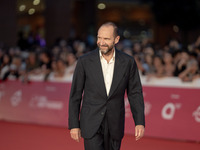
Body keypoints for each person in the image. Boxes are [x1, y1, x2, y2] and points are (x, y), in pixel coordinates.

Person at [68, 22, 145, 150]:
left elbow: (135, 93)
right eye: (99, 38)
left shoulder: (128, 62)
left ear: (116, 39)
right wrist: (74, 124)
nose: (101, 42)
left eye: (106, 39)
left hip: (115, 123)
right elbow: (75, 94)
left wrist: (139, 122)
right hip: (91, 122)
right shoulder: (84, 61)